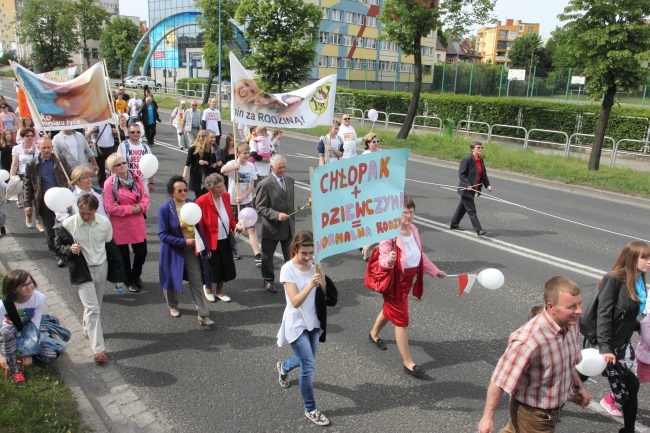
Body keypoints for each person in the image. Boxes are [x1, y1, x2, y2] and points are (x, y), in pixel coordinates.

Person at [477, 276, 593, 433]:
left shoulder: (571, 324)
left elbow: (567, 363)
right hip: (535, 415)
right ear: (551, 307)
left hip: (549, 408)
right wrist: (487, 417)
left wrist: (579, 387)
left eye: (579, 303)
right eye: (572, 306)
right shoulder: (528, 340)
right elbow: (499, 380)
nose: (579, 311)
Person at [368, 197, 447, 377]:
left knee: (390, 310)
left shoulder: (412, 229)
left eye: (411, 211)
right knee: (402, 320)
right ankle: (408, 362)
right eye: (405, 212)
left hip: (407, 281)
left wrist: (435, 271)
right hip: (394, 282)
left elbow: (419, 255)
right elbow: (381, 259)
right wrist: (389, 261)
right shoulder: (390, 233)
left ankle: (373, 334)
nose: (409, 215)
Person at [54, 194, 123, 364]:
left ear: (95, 210)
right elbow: (56, 246)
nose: (86, 216)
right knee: (92, 308)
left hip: (101, 266)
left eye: (89, 214)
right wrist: (69, 249)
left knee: (96, 305)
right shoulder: (69, 224)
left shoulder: (104, 223)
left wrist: (119, 273)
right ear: (78, 208)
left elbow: (111, 245)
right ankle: (98, 349)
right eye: (82, 213)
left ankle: (87, 328)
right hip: (81, 269)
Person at [591, 241, 650, 433]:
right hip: (608, 343)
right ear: (632, 258)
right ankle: (551, 401)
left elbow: (627, 313)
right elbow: (604, 313)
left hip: (621, 343)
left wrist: (638, 326)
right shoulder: (614, 278)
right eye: (645, 257)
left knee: (631, 387)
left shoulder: (639, 280)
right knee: (579, 376)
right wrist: (605, 347)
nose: (649, 262)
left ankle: (629, 429)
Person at [276, 230, 330, 426]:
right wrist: (310, 284)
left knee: (306, 359)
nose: (308, 257)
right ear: (295, 249)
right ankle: (311, 409)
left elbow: (324, 294)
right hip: (296, 324)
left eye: (310, 253)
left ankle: (283, 367)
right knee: (308, 366)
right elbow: (295, 301)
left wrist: (321, 274)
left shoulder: (314, 265)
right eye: (304, 253)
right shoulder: (287, 269)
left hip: (314, 322)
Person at [157, 175, 213, 324]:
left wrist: (205, 247)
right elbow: (163, 235)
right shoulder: (165, 209)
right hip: (172, 251)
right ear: (172, 193)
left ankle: (203, 314)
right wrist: (183, 241)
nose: (183, 193)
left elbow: (199, 228)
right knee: (171, 280)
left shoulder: (191, 204)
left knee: (197, 280)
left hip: (192, 250)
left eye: (185, 190)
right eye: (179, 190)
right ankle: (173, 305)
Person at [0, 270, 63, 387]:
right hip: (10, 332)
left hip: (29, 331)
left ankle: (24, 351)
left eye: (30, 283)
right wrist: (0, 356)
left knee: (51, 356)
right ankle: (14, 369)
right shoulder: (4, 305)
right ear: (13, 289)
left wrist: (27, 352)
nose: (29, 287)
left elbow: (35, 324)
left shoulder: (39, 298)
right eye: (23, 286)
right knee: (6, 332)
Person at [103, 153, 150, 293]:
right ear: (112, 168)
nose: (123, 166)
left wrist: (141, 207)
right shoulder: (109, 183)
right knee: (123, 257)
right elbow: (109, 207)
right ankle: (128, 279)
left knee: (141, 252)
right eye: (118, 164)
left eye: (124, 162)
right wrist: (131, 208)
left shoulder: (136, 178)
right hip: (120, 224)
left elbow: (145, 197)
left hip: (137, 222)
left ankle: (136, 275)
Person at [23, 136, 72, 267]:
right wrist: (27, 204)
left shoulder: (60, 159)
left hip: (62, 198)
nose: (46, 150)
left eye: (48, 147)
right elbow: (27, 185)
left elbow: (70, 174)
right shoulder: (32, 164)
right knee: (49, 229)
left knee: (65, 226)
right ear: (38, 148)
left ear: (52, 147)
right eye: (43, 148)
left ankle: (67, 250)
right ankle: (58, 253)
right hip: (44, 200)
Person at [196, 173, 243, 304]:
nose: (222, 189)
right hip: (210, 240)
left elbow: (229, 217)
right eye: (218, 187)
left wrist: (236, 226)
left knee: (225, 267)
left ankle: (219, 291)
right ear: (210, 189)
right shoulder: (202, 201)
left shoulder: (226, 196)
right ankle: (209, 289)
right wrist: (204, 246)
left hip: (225, 238)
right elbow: (199, 227)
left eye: (222, 185)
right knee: (212, 268)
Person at [255, 155, 295, 293]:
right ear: (271, 167)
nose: (283, 170)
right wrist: (276, 215)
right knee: (267, 256)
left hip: (288, 227)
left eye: (284, 167)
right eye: (279, 168)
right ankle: (268, 280)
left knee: (291, 255)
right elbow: (260, 207)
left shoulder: (290, 180)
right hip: (271, 227)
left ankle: (291, 280)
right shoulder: (264, 184)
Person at [221, 141, 262, 266]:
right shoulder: (232, 163)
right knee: (234, 228)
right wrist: (234, 167)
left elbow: (252, 184)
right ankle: (233, 248)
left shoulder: (250, 166)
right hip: (233, 201)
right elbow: (223, 170)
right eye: (244, 153)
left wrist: (244, 196)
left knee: (251, 228)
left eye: (248, 153)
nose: (247, 155)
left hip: (246, 201)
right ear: (238, 153)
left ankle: (257, 254)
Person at [450, 141, 492, 236]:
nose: (480, 149)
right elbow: (462, 174)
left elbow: (483, 174)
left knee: (462, 208)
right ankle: (478, 230)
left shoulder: (480, 160)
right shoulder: (467, 159)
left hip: (475, 188)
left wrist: (488, 185)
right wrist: (467, 184)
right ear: (472, 149)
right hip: (466, 189)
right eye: (478, 147)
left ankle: (454, 224)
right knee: (471, 210)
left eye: (481, 147)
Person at [10, 127, 40, 220]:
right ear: (23, 137)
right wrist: (12, 177)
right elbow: (14, 164)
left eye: (32, 135)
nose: (30, 137)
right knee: (26, 198)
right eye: (27, 136)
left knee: (37, 198)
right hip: (23, 175)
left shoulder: (38, 148)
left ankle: (38, 220)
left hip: (36, 175)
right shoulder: (16, 148)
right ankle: (29, 214)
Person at [115, 124, 155, 193]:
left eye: (138, 132)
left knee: (144, 203)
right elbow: (117, 165)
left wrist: (152, 182)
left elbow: (150, 165)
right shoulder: (123, 146)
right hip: (127, 182)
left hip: (143, 182)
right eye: (133, 132)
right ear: (128, 133)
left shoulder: (145, 147)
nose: (136, 134)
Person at [182, 130, 220, 199]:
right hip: (196, 175)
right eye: (208, 138)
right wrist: (184, 175)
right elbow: (187, 163)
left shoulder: (208, 148)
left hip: (205, 175)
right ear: (204, 138)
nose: (210, 140)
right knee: (199, 196)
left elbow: (211, 163)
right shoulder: (192, 149)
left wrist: (205, 162)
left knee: (206, 195)